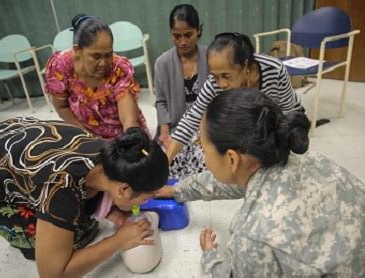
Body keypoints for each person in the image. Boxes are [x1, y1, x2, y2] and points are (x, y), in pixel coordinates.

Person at [158, 88, 365, 276]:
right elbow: (231, 181)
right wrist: (177, 190)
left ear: (231, 158)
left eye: (203, 148)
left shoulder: (253, 235)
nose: (202, 155)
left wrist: (210, 256)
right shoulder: (313, 160)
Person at [0, 117, 169, 277]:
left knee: (80, 218)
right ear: (123, 190)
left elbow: (94, 187)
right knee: (70, 243)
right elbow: (52, 274)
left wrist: (113, 213)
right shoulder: (60, 187)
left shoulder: (117, 153)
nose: (147, 201)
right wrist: (116, 242)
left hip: (16, 137)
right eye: (146, 197)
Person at [166, 32, 304, 164]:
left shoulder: (274, 70)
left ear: (245, 65)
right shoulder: (214, 83)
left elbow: (287, 112)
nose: (221, 84)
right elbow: (191, 118)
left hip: (277, 119)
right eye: (215, 76)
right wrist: (167, 160)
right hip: (249, 122)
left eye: (227, 76)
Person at [45, 14, 148, 140]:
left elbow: (128, 119)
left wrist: (130, 137)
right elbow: (62, 107)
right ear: (77, 49)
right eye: (96, 56)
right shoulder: (60, 67)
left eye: (108, 55)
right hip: (85, 134)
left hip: (123, 136)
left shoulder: (119, 68)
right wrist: (88, 138)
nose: (104, 63)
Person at [155, 4, 208, 179]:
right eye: (176, 36)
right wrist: (164, 133)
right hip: (176, 126)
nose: (183, 42)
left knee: (206, 162)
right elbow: (161, 101)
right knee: (164, 162)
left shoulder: (211, 57)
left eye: (188, 35)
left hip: (206, 124)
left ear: (198, 30)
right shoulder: (163, 63)